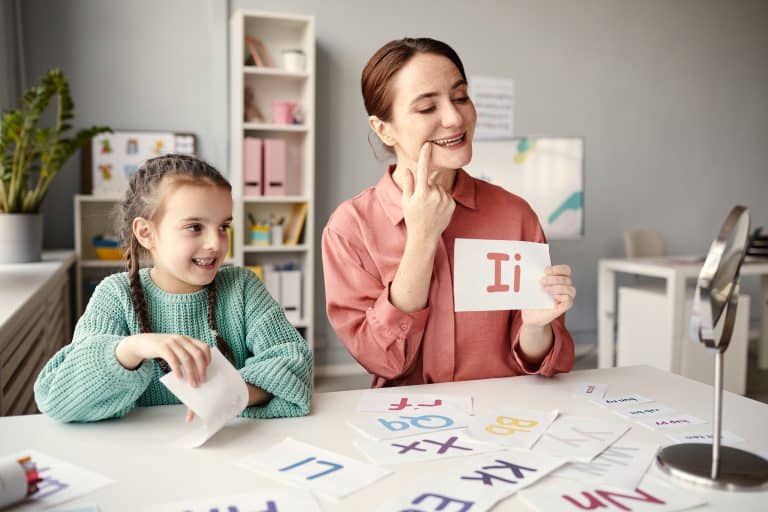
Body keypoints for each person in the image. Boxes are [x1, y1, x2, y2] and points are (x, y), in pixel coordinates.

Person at [322, 38, 575, 387]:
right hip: (409, 427)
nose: (455, 118)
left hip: (506, 419)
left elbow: (539, 358)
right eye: (427, 108)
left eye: (460, 97)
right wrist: (422, 238)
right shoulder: (350, 229)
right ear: (383, 128)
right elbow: (382, 360)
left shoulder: (515, 215)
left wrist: (536, 326)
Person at [35, 154, 312, 422]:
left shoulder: (243, 287)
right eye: (194, 227)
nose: (215, 243)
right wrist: (132, 348)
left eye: (223, 226)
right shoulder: (116, 295)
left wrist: (231, 394)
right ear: (146, 233)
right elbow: (56, 398)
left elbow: (294, 360)